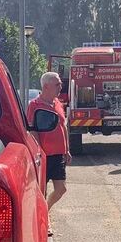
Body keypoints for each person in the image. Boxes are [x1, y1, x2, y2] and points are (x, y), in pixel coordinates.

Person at [27, 72, 72, 220]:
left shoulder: (58, 103)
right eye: (57, 84)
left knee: (61, 189)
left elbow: (63, 127)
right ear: (46, 86)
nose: (61, 87)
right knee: (42, 191)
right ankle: (41, 220)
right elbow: (33, 130)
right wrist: (39, 152)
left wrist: (67, 150)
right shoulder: (34, 105)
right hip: (44, 156)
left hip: (59, 154)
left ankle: (44, 212)